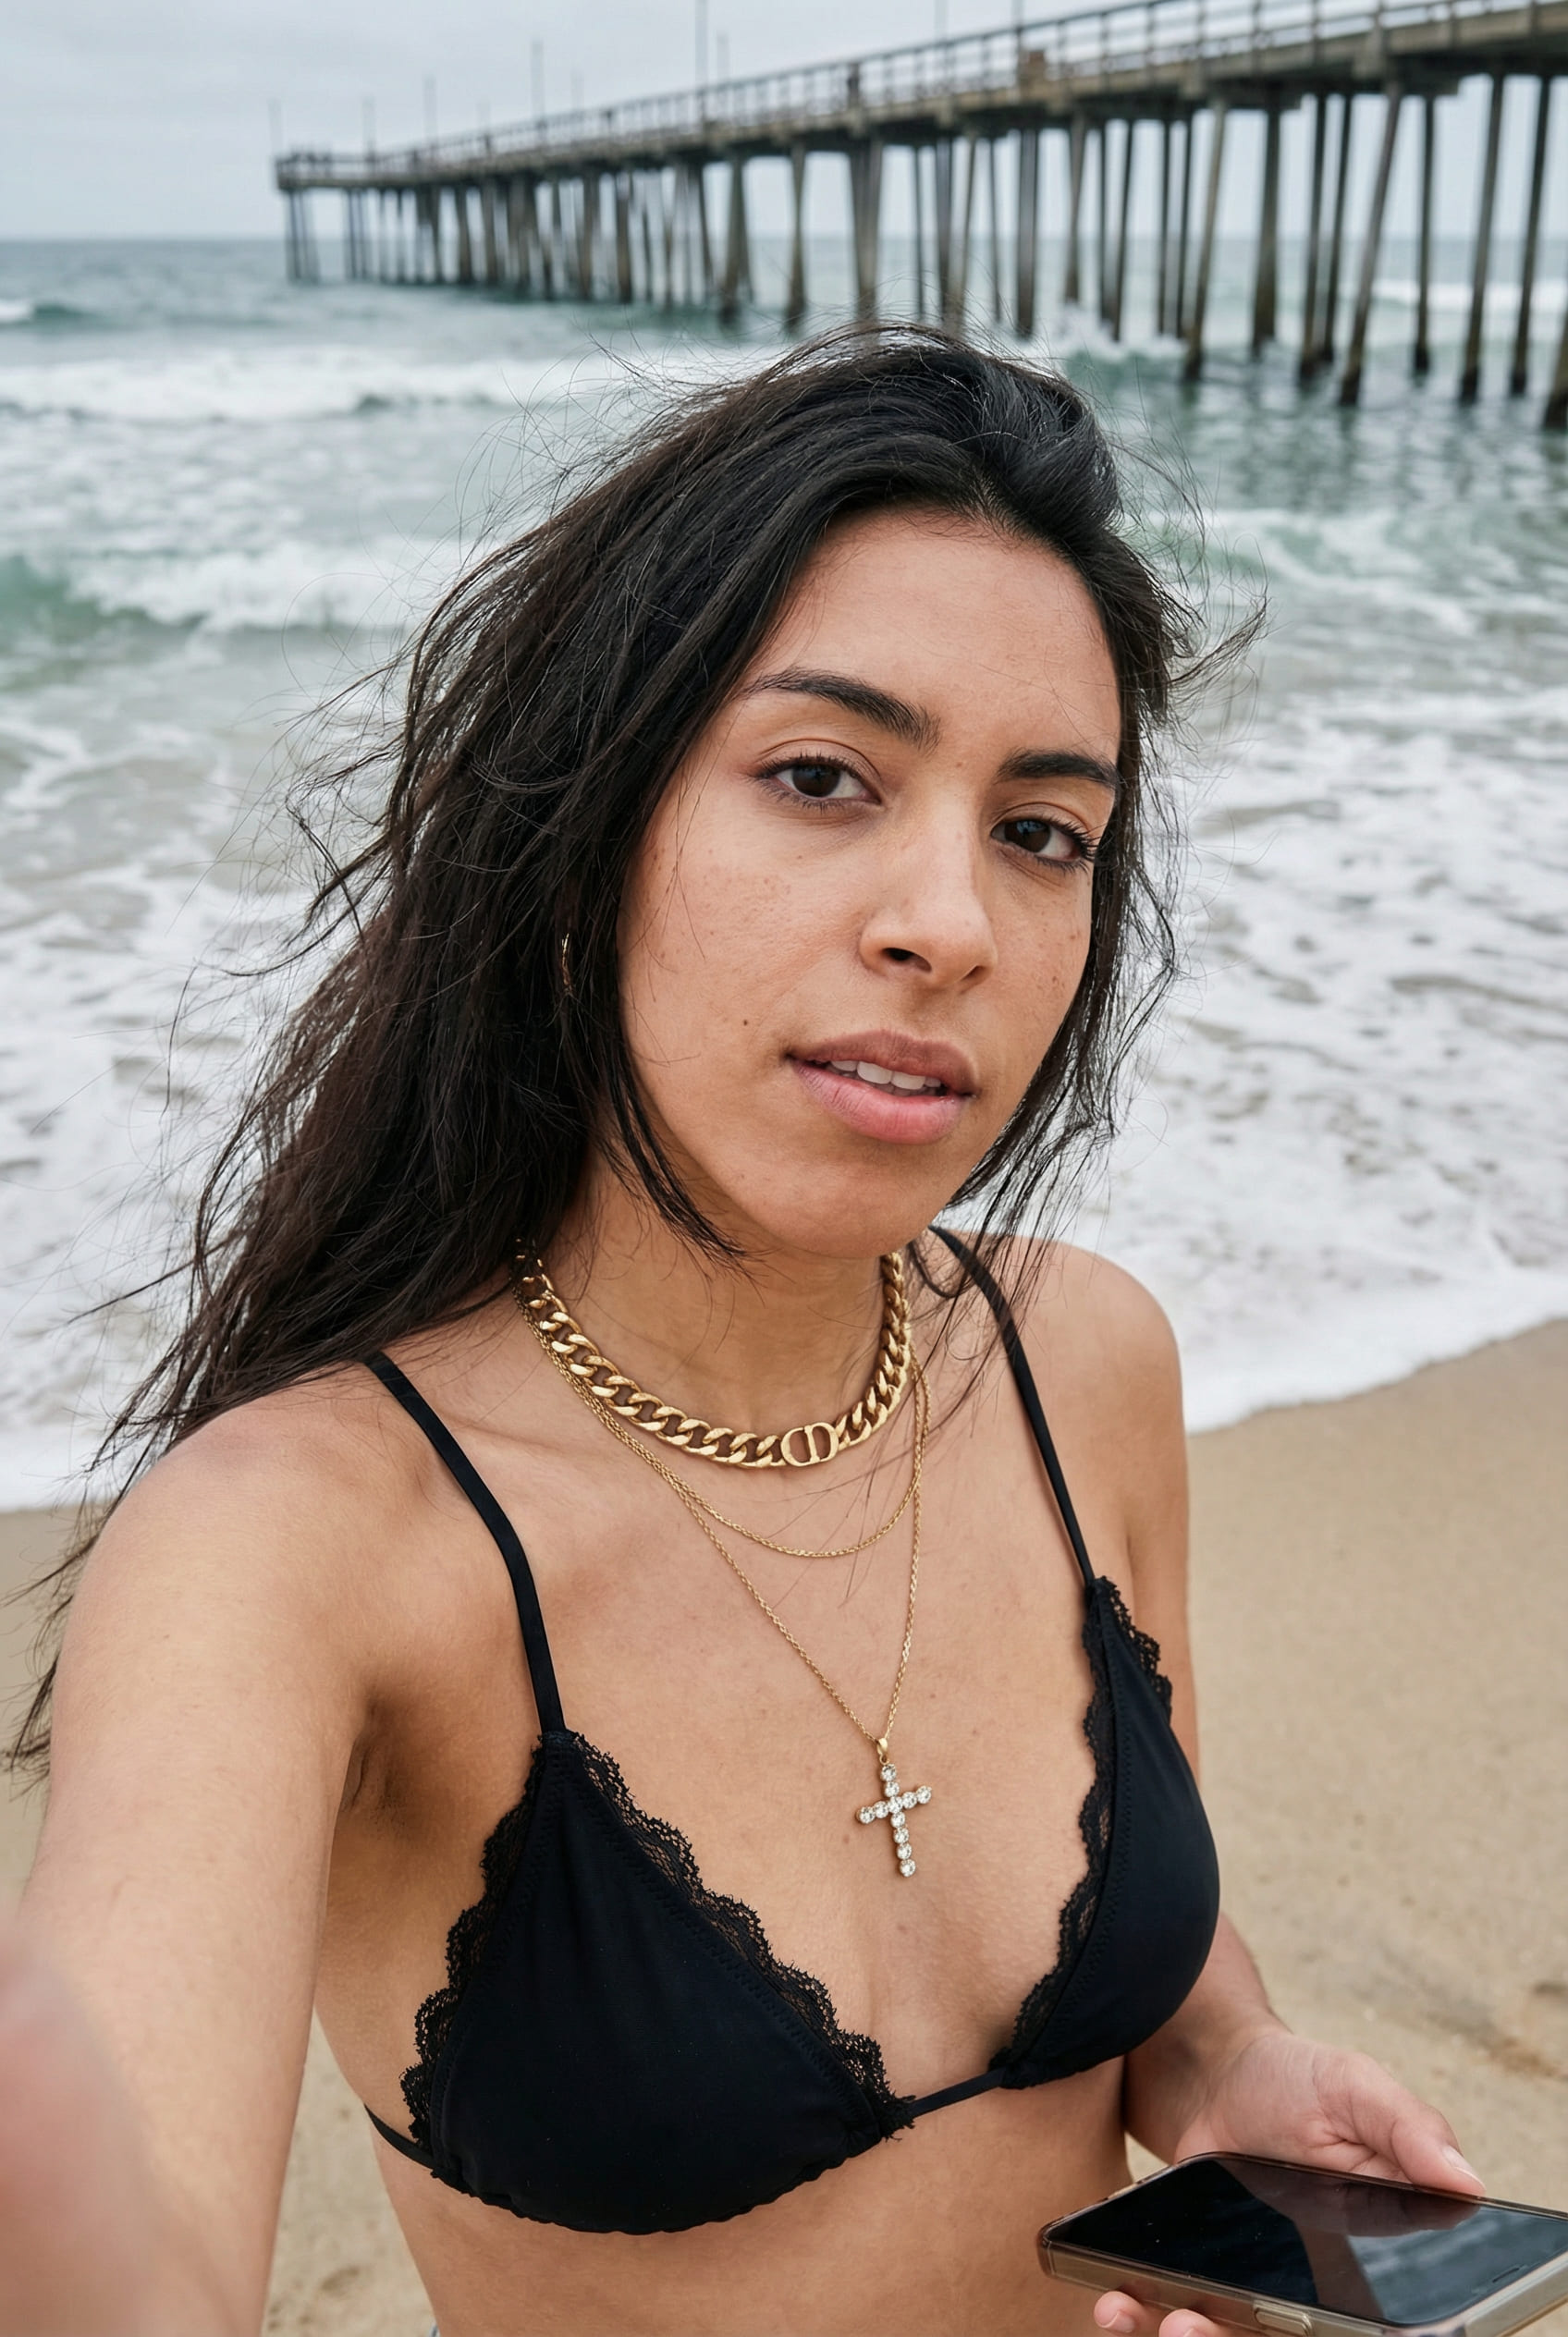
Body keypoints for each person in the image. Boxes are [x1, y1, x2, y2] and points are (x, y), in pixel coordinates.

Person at [0, 330, 1482, 2337]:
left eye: (1040, 829)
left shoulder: (1083, 1365)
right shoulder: (298, 1548)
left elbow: (1171, 1987)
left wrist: (1231, 2075)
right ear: (578, 839)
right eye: (819, 776)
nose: (947, 917)